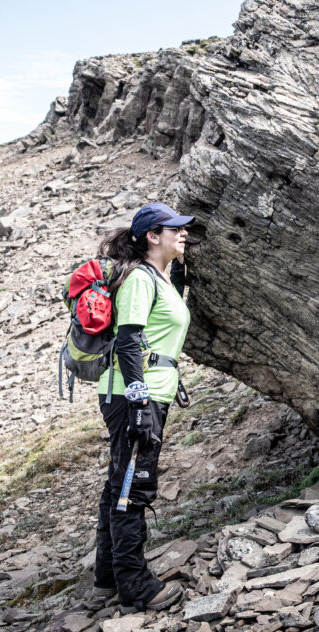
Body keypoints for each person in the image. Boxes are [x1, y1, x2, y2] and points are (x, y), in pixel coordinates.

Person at [91, 201, 193, 614]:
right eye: (175, 229)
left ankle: (107, 577)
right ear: (153, 236)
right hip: (132, 395)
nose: (183, 233)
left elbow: (154, 341)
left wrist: (172, 380)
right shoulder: (140, 279)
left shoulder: (164, 279)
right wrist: (138, 400)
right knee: (133, 487)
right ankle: (135, 586)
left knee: (119, 481)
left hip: (151, 389)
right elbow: (129, 339)